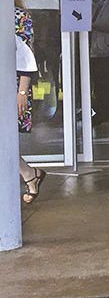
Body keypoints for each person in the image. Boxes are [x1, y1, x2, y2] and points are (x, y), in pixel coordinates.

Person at [17, 32, 45, 205]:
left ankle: (29, 173)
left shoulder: (16, 15)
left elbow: (25, 54)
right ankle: (29, 173)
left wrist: (21, 91)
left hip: (9, 86)